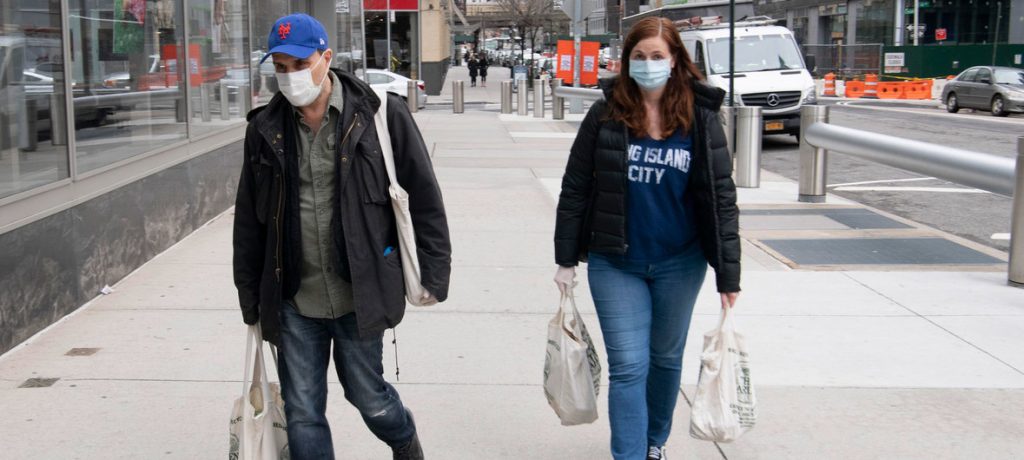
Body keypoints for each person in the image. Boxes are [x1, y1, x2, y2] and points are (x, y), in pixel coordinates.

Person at [233, 13, 451, 460]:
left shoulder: (380, 115)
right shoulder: (263, 130)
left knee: (369, 399)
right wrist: (250, 296)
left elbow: (424, 198)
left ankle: (404, 441)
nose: (290, 77)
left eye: (299, 63)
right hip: (295, 297)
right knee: (303, 411)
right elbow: (249, 223)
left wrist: (434, 270)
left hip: (361, 290)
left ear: (326, 58)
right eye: (280, 67)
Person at [553, 17, 740, 460]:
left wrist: (728, 275)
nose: (649, 64)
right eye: (639, 57)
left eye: (658, 56)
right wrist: (565, 259)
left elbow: (721, 200)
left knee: (665, 361)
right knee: (629, 366)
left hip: (681, 262)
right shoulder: (604, 115)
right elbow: (575, 187)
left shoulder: (701, 119)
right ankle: (630, 455)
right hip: (615, 262)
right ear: (626, 61)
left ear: (675, 61)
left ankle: (654, 441)